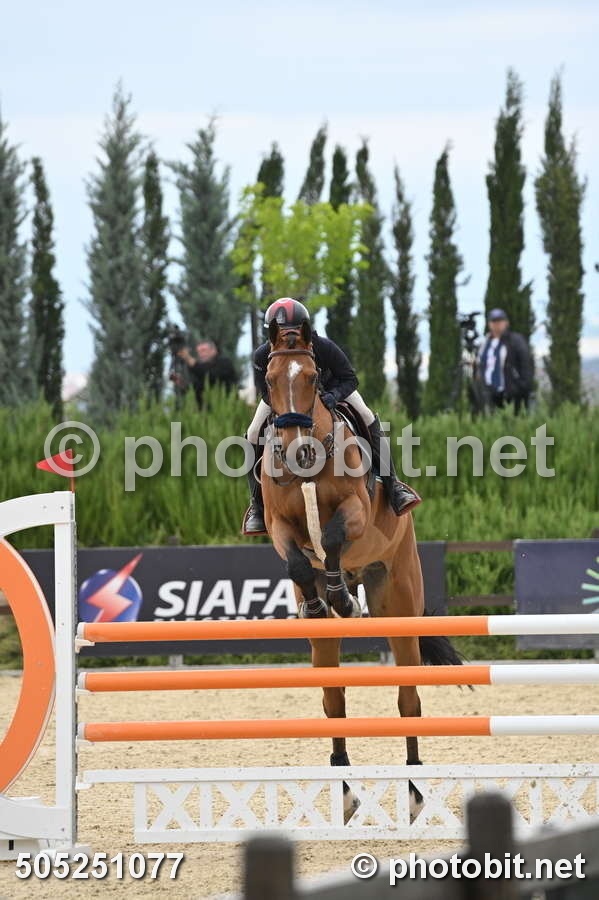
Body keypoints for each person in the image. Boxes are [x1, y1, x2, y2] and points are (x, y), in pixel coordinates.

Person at [244, 297, 419, 534]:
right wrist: (285, 406)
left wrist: (333, 396)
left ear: (305, 330)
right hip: (287, 398)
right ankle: (257, 505)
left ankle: (393, 486)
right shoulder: (262, 355)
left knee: (366, 415)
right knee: (253, 432)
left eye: (295, 331)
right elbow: (265, 391)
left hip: (333, 391)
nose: (289, 337)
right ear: (272, 334)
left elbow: (350, 379)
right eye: (283, 332)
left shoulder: (323, 347)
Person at [477, 308, 533, 413]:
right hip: (489, 393)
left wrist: (522, 387)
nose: (497, 325)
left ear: (506, 322)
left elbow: (526, 364)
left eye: (499, 321)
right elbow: (482, 364)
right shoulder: (485, 342)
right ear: (489, 324)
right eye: (494, 321)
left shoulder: (515, 340)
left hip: (510, 392)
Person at [178, 340, 237, 408]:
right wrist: (183, 384)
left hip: (226, 406)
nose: (201, 354)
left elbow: (211, 376)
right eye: (198, 352)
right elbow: (198, 389)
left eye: (203, 350)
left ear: (213, 350)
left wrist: (188, 359)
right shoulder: (200, 368)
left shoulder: (224, 362)